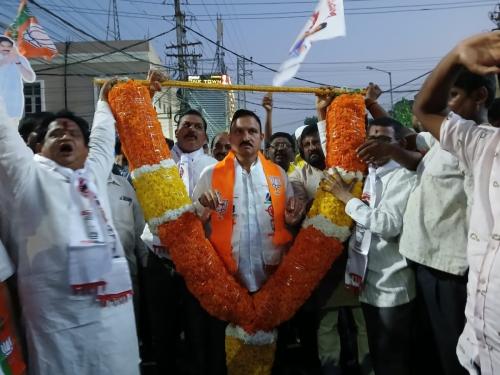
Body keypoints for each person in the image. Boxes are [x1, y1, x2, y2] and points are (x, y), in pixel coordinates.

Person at [359, 70, 496, 375]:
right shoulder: (449, 139)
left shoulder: (480, 142)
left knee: (452, 356)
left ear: (481, 97)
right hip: (424, 266)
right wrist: (378, 119)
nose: (445, 107)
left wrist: (393, 147)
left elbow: (411, 135)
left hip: (448, 273)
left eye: (453, 96)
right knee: (427, 353)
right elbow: (415, 149)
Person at [0, 77, 140, 374]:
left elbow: (103, 136)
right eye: (56, 133)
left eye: (75, 133)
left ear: (85, 150)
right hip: (59, 334)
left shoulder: (92, 175)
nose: (66, 134)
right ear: (39, 147)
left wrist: (103, 101)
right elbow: (2, 133)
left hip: (116, 330)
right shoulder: (26, 176)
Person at [412, 30, 500, 375]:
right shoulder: (482, 144)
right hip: (475, 347)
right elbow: (424, 108)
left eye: (456, 95)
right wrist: (457, 55)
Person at [323, 117, 416, 375]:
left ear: (398, 145)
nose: (376, 146)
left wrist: (345, 198)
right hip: (368, 284)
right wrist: (323, 118)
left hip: (392, 287)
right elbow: (335, 157)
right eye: (372, 139)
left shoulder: (402, 176)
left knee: (393, 362)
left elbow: (387, 224)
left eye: (384, 140)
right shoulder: (368, 173)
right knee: (378, 355)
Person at [143, 108, 225, 375]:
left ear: (205, 137)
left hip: (199, 262)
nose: (191, 130)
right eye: (186, 125)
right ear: (176, 130)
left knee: (198, 331)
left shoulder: (215, 168)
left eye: (198, 127)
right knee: (162, 332)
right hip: (159, 260)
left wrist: (204, 210)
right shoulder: (159, 161)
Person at [193, 109, 304, 295]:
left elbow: (289, 220)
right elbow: (194, 222)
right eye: (239, 132)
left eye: (252, 131)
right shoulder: (211, 174)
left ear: (260, 137)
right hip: (225, 279)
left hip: (271, 277)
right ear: (230, 137)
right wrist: (204, 210)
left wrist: (293, 218)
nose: (246, 137)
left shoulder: (278, 174)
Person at [289, 122, 371, 375]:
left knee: (362, 322)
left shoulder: (345, 167)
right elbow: (302, 209)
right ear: (301, 149)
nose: (313, 147)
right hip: (323, 259)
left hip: (356, 257)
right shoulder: (298, 176)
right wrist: (333, 197)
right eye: (307, 144)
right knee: (327, 323)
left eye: (316, 142)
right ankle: (330, 369)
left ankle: (367, 368)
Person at [0, 36, 35, 118]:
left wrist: (18, 62)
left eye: (9, 46)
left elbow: (30, 78)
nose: (6, 48)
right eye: (3, 46)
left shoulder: (20, 59)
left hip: (14, 103)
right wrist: (5, 61)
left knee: (11, 128)